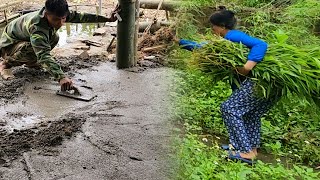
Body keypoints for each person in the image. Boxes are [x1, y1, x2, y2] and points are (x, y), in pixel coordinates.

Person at [177, 7, 272, 164]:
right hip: (262, 84)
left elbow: (261, 44)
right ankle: (251, 149)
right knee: (250, 114)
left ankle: (246, 152)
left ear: (221, 26)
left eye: (213, 26)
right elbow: (203, 47)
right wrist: (180, 42)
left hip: (257, 82)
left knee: (229, 109)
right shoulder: (226, 41)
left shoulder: (233, 36)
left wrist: (247, 67)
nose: (212, 29)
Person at [0, 0, 120, 91]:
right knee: (35, 48)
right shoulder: (37, 27)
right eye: (56, 20)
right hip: (9, 46)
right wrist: (61, 77)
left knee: (54, 37)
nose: (61, 23)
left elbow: (82, 17)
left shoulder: (61, 14)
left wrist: (108, 19)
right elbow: (43, 55)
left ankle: (31, 62)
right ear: (46, 14)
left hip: (24, 40)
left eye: (63, 19)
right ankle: (6, 64)